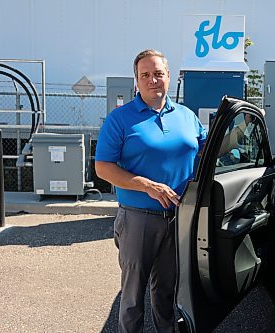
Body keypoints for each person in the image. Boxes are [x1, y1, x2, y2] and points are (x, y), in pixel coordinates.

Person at [95, 49, 207, 332]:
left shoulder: (187, 116)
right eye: (145, 74)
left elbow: (207, 151)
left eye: (158, 73)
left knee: (167, 291)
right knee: (133, 296)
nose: (152, 79)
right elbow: (103, 167)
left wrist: (239, 135)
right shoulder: (120, 119)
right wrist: (146, 185)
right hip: (138, 219)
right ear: (136, 80)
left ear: (168, 77)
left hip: (179, 216)